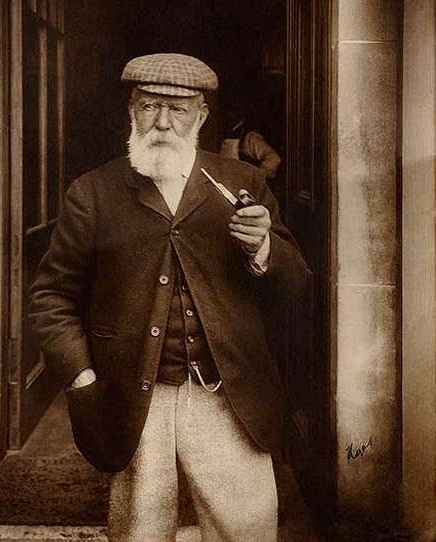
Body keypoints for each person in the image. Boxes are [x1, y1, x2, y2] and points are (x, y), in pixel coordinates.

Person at [29, 53, 307, 542]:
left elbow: (296, 285)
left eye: (177, 109)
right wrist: (82, 378)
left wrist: (264, 248)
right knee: (140, 532)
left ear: (200, 116)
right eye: (150, 106)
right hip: (134, 395)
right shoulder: (92, 193)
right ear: (131, 111)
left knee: (246, 530)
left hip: (228, 392)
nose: (162, 123)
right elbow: (52, 296)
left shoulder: (244, 183)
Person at [219, 101, 281, 180]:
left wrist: (257, 178)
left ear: (240, 113)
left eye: (232, 111)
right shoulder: (226, 133)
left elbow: (274, 158)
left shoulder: (250, 137)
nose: (228, 115)